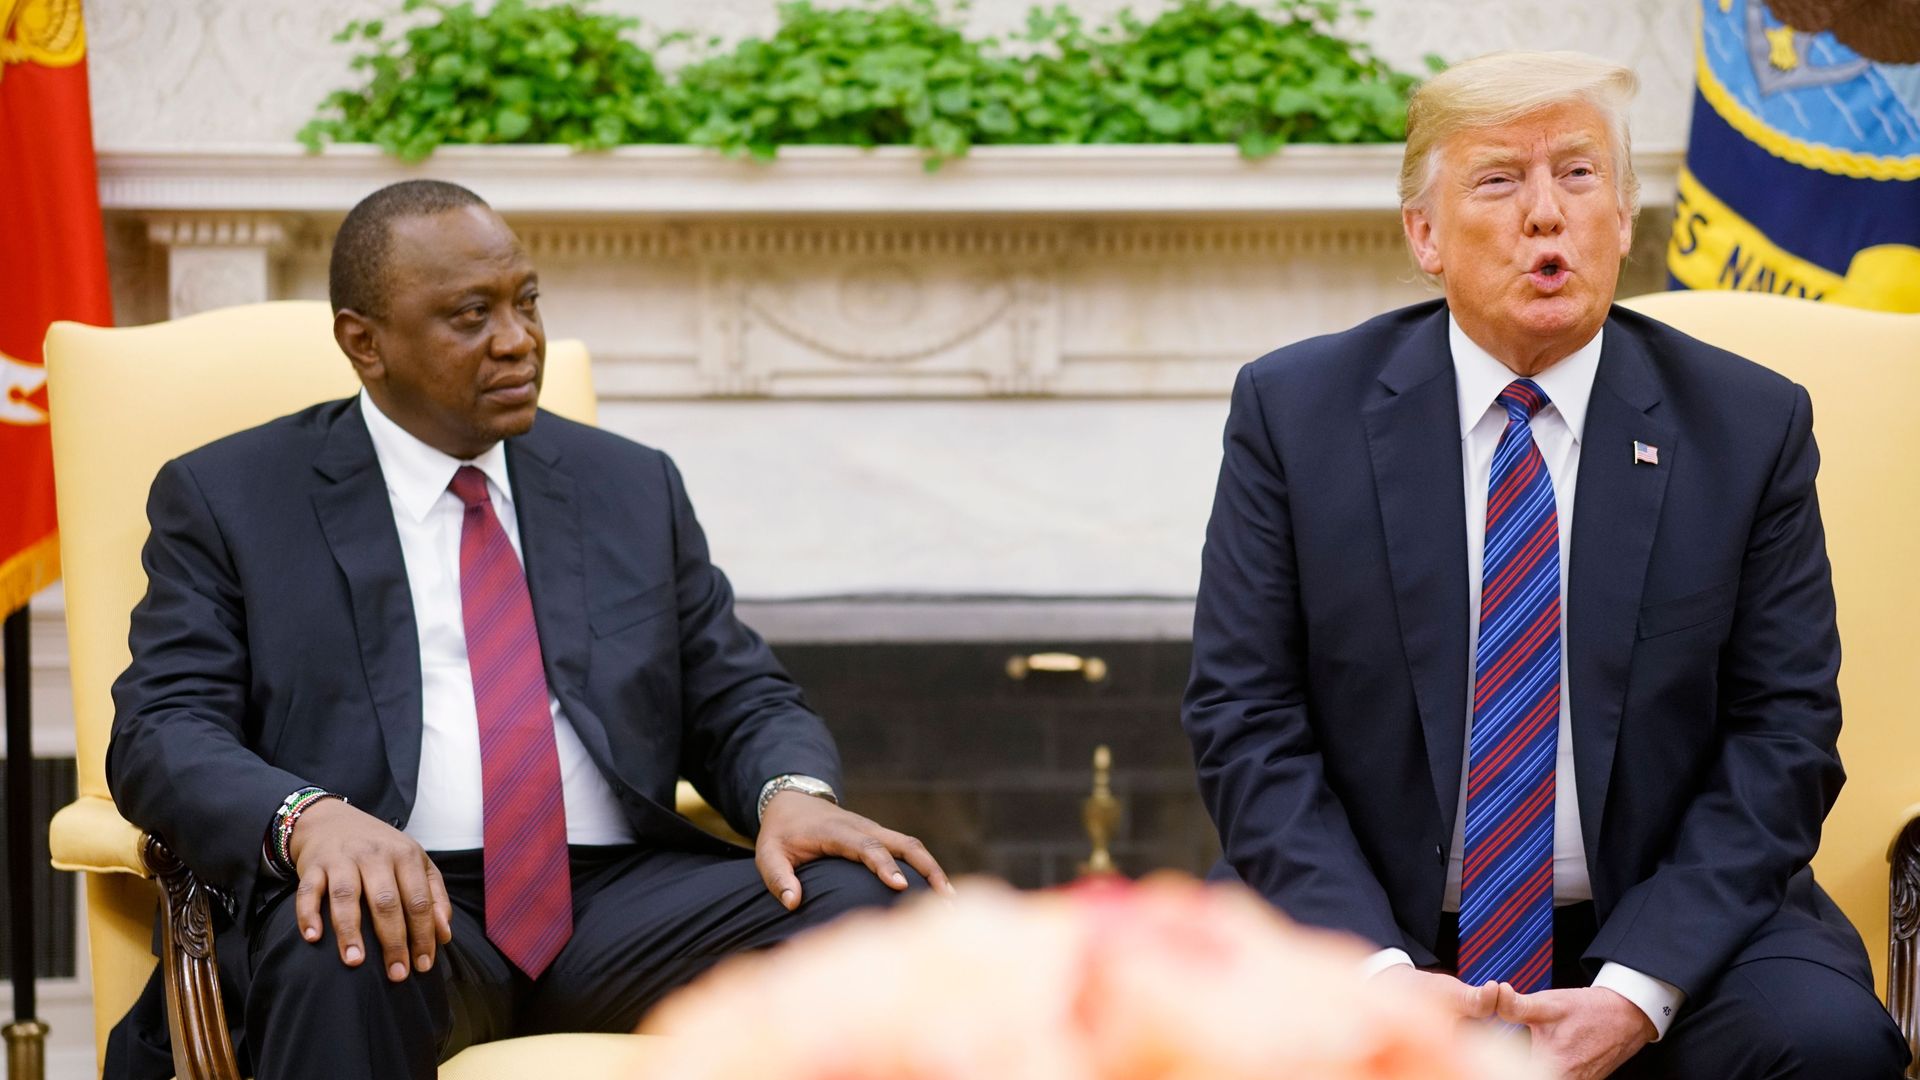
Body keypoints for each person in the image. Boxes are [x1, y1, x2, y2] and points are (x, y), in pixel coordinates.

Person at [105, 179, 951, 1080]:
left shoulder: (627, 485)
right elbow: (161, 730)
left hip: (617, 903)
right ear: (365, 343)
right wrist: (306, 820)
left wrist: (791, 793)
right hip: (398, 893)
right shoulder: (233, 497)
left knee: (869, 899)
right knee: (339, 936)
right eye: (472, 314)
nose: (518, 340)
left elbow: (739, 695)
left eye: (527, 301)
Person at [1182, 51, 1907, 1079]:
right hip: (1362, 915)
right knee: (1205, 1033)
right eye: (1497, 180)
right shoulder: (1296, 414)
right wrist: (1379, 976)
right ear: (1423, 235)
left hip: (1667, 918)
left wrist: (1637, 991)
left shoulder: (1748, 425)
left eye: (1578, 175)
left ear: (1622, 220)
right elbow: (1244, 720)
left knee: (1822, 1045)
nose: (1545, 214)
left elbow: (1784, 734)